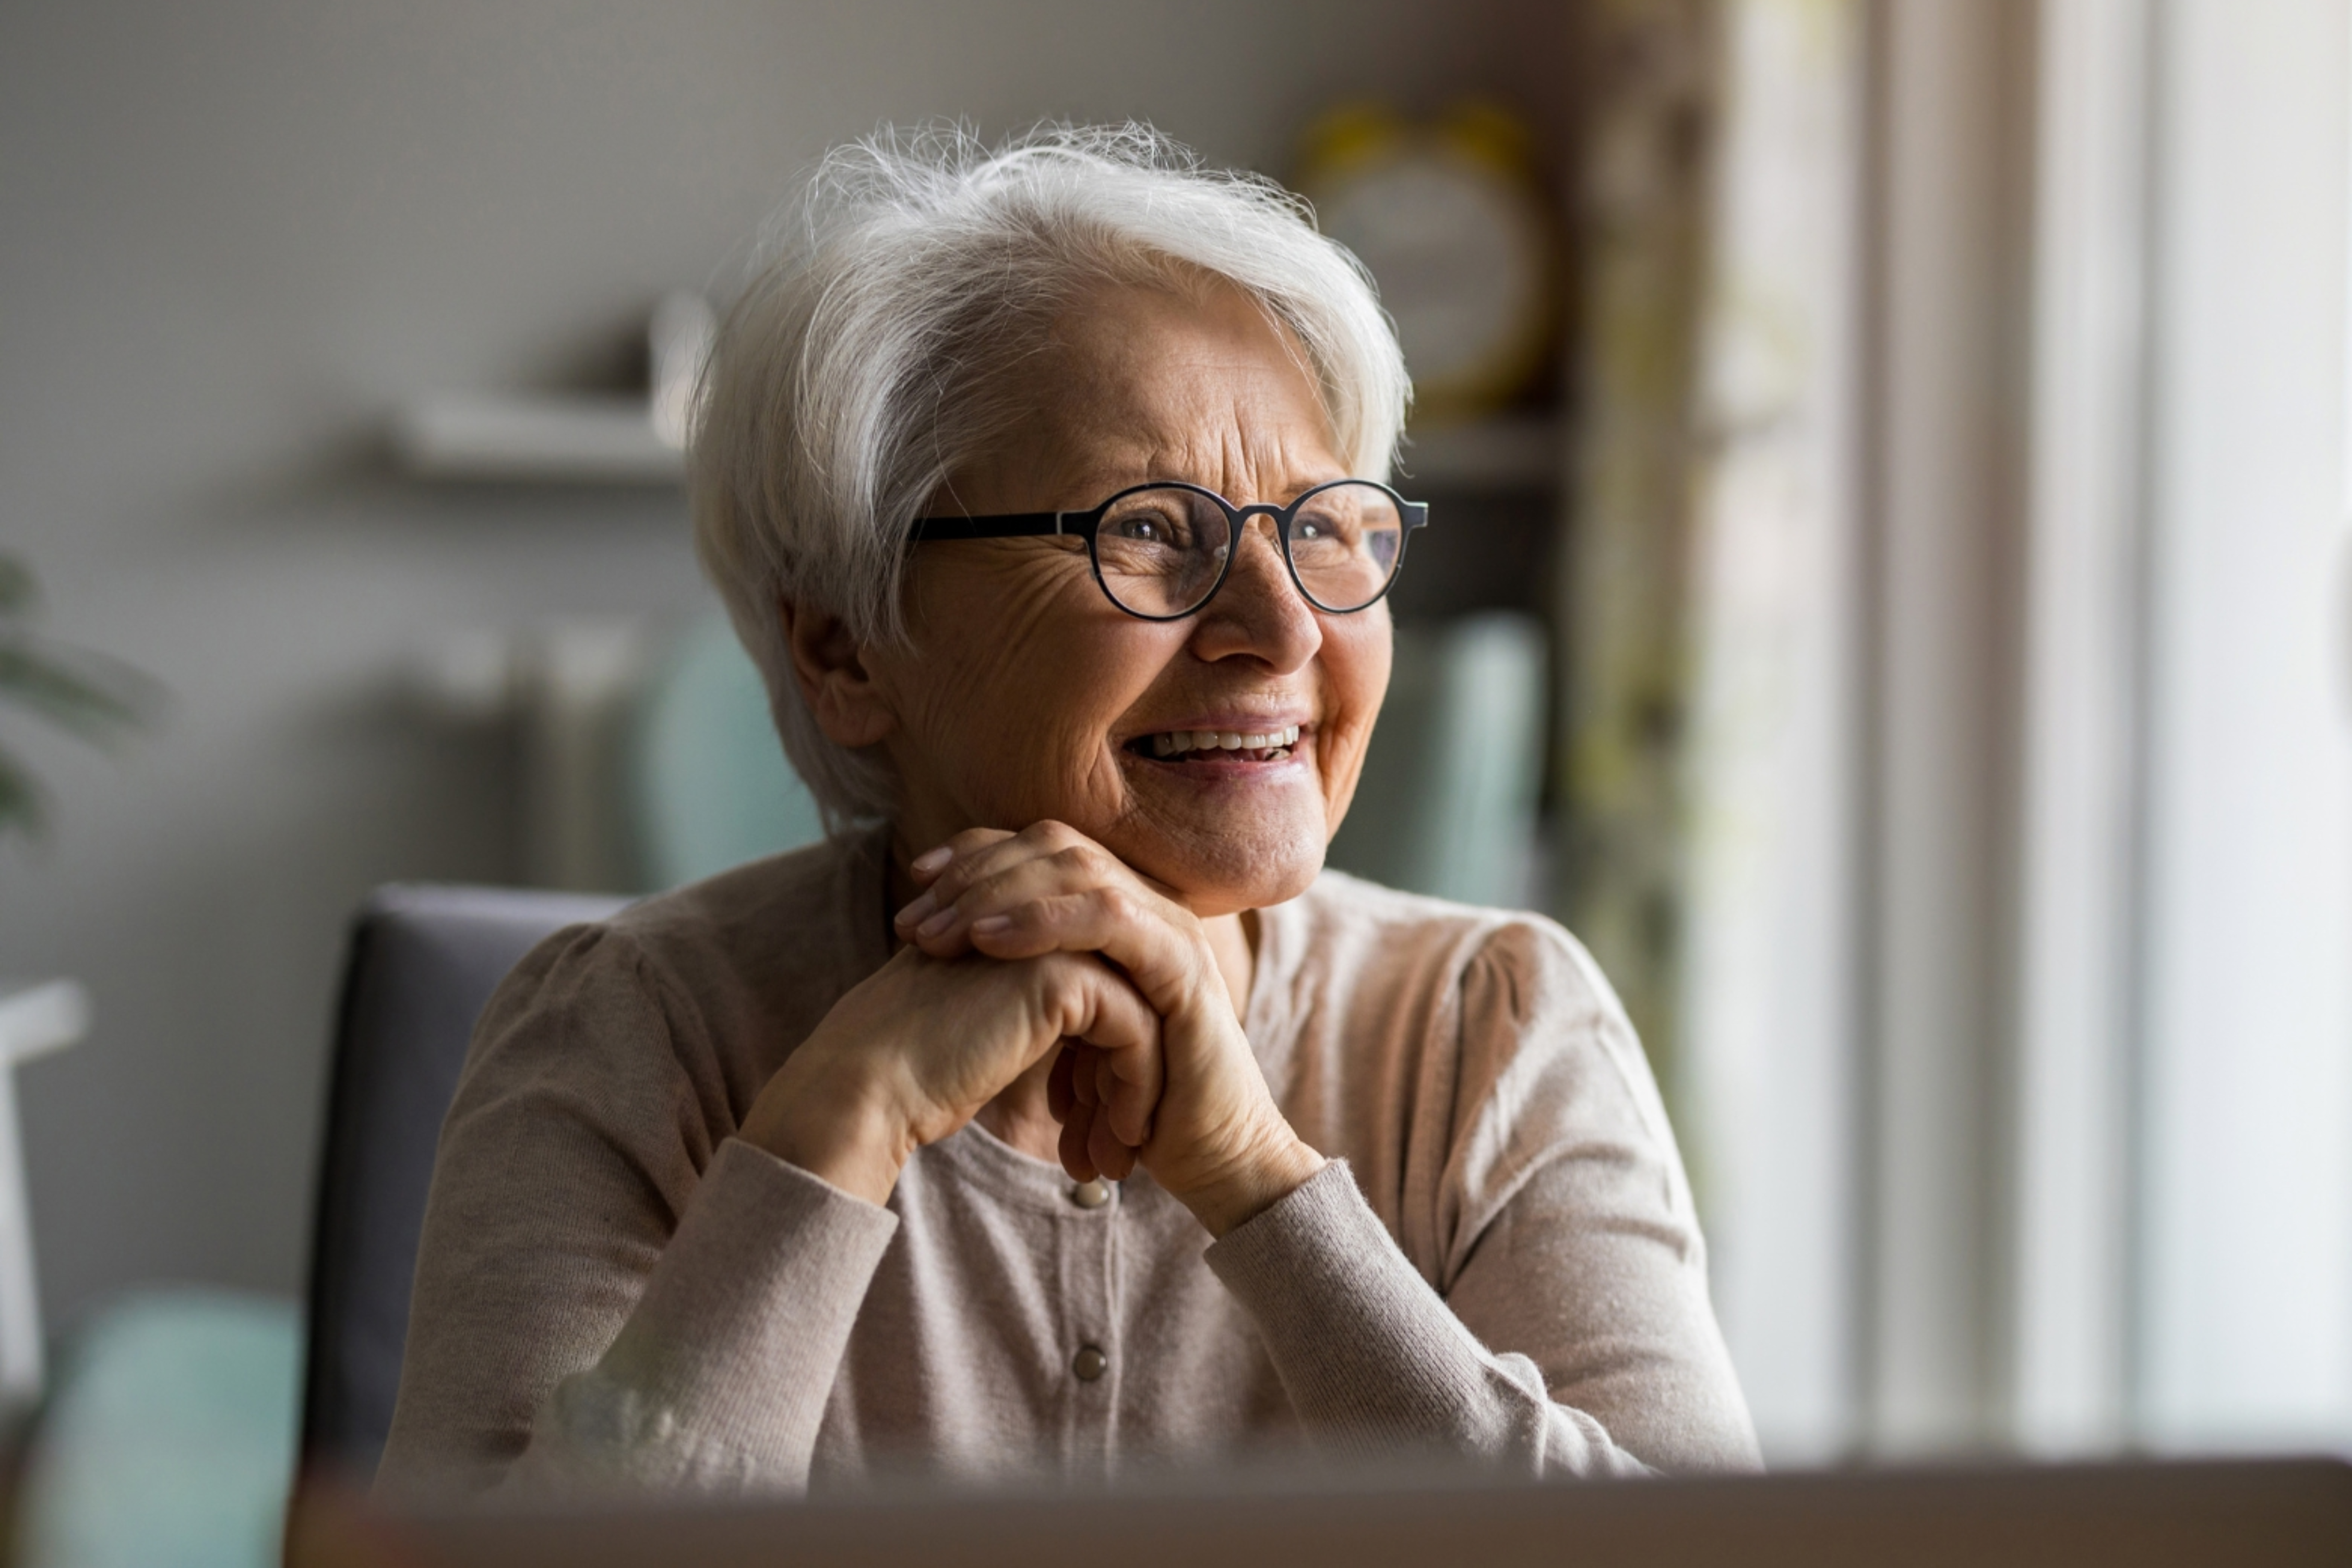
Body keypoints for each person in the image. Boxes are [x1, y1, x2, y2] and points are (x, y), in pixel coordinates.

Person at [377, 125, 1759, 1501]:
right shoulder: (632, 1033)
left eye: (1327, 524)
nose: (1282, 628)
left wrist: (1259, 1182)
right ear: (846, 648)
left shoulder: (1491, 1028)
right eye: (1149, 528)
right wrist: (840, 1126)